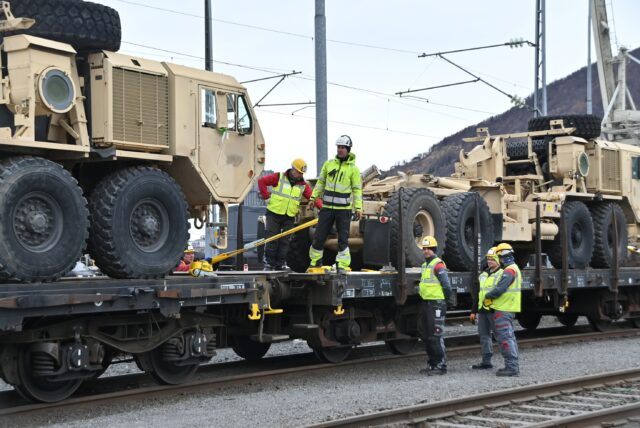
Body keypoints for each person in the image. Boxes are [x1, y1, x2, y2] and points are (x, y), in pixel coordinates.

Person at [307, 135, 362, 273]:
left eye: (343, 147)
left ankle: (342, 265)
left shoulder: (353, 169)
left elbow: (356, 190)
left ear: (348, 149)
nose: (340, 150)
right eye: (338, 147)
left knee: (343, 239)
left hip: (344, 210)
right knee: (319, 236)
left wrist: (359, 207)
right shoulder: (329, 164)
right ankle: (315, 262)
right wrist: (313, 198)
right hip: (327, 209)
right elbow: (320, 183)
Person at [258, 158, 322, 270]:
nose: (299, 175)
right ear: (292, 169)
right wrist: (266, 197)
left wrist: (323, 208)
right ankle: (269, 264)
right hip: (274, 214)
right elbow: (262, 181)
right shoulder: (279, 177)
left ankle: (280, 264)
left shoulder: (303, 185)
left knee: (285, 242)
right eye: (298, 172)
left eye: (301, 173)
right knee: (272, 239)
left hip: (289, 217)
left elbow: (313, 197)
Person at [483, 242, 522, 376]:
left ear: (502, 256)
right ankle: (513, 365)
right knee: (509, 337)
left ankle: (511, 367)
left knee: (505, 338)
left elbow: (500, 288)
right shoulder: (514, 268)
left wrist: (488, 296)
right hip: (508, 307)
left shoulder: (509, 270)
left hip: (504, 308)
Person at [417, 236, 452, 375]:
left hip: (436, 304)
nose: (426, 251)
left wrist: (444, 301)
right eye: (424, 249)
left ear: (434, 250)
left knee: (436, 335)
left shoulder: (438, 265)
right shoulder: (425, 265)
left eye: (429, 249)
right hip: (427, 303)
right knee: (426, 335)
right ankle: (433, 363)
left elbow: (447, 286)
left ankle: (441, 365)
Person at [470, 247, 502, 370]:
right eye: (488, 259)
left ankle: (509, 362)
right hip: (483, 311)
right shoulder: (483, 275)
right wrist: (473, 311)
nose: (489, 261)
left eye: (492, 259)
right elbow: (478, 294)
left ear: (498, 260)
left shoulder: (501, 274)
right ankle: (486, 361)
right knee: (484, 336)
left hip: (495, 310)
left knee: (501, 336)